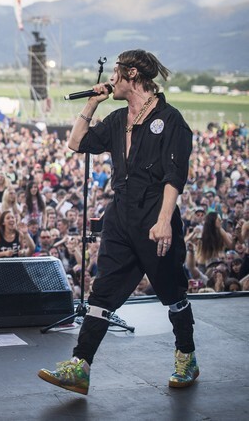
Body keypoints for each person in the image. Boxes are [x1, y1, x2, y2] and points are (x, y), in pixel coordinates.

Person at [38, 49, 198, 394]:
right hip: (121, 216)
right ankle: (80, 366)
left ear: (133, 76)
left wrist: (165, 221)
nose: (111, 79)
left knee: (172, 291)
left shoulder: (171, 121)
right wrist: (92, 104)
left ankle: (187, 356)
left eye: (116, 73)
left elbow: (175, 176)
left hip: (156, 215)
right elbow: (75, 142)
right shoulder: (116, 119)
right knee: (103, 293)